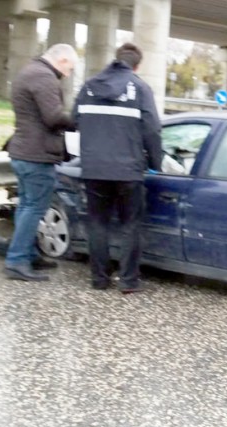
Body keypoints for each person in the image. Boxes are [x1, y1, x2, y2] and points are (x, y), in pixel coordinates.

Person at [72, 43, 162, 293]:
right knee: (130, 225)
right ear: (137, 65)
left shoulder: (89, 87)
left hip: (93, 170)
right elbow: (152, 130)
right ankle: (128, 281)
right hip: (128, 171)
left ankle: (99, 279)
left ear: (116, 60)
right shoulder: (141, 89)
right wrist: (156, 163)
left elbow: (75, 121)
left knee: (97, 224)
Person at [3, 43, 77, 281]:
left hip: (23, 152)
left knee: (26, 206)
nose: (68, 73)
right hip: (36, 155)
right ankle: (17, 261)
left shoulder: (30, 71)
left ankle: (28, 254)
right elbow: (54, 117)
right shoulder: (44, 77)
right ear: (62, 60)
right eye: (70, 68)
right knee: (34, 208)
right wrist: (80, 121)